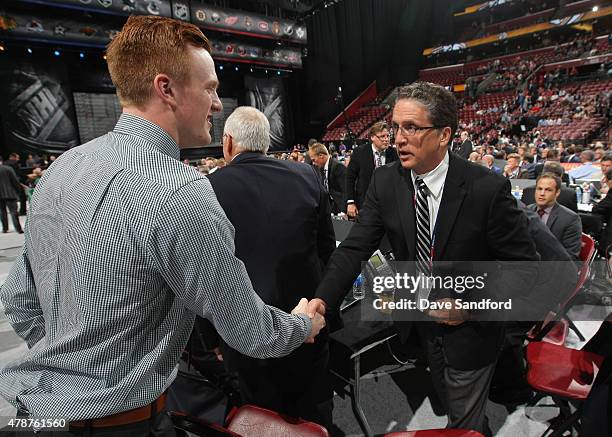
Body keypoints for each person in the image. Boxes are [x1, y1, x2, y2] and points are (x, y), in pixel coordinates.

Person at [0, 16, 323, 437]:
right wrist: (303, 325)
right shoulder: (179, 191)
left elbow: (19, 301)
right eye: (209, 87)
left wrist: (70, 366)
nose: (218, 103)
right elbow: (249, 332)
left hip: (34, 417)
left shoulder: (61, 169)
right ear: (166, 88)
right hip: (123, 426)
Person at [308, 82, 538, 436]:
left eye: (411, 128)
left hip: (472, 331)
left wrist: (468, 307)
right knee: (457, 409)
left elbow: (527, 272)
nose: (398, 138)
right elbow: (354, 248)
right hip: (418, 325)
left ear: (444, 134)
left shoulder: (485, 190)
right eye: (395, 127)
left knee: (462, 420)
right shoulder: (385, 181)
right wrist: (322, 299)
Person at [206, 107, 336, 427]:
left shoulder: (208, 188)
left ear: (228, 143)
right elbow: (326, 250)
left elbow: (204, 273)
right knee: (314, 412)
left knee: (264, 419)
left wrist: (212, 337)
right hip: (308, 321)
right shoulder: (307, 175)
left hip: (247, 331)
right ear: (266, 142)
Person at [345, 121, 398, 218]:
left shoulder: (394, 153)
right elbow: (350, 178)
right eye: (382, 136)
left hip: (389, 205)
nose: (386, 139)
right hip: (365, 203)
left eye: (388, 136)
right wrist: (350, 202)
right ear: (372, 137)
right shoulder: (359, 152)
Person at [528, 173, 582, 260]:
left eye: (548, 190)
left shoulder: (570, 219)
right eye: (539, 189)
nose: (542, 193)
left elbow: (570, 256)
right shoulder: (526, 211)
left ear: (557, 193)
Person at [308, 142, 347, 214]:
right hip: (333, 207)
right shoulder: (322, 168)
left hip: (342, 207)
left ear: (321, 155)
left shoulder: (337, 167)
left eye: (313, 160)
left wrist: (343, 211)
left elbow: (346, 190)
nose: (313, 163)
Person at [0, 163, 24, 234]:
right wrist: (18, 191)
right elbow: (15, 180)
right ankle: (18, 229)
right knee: (13, 212)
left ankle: (5, 228)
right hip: (10, 193)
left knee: (2, 212)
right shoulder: (8, 168)